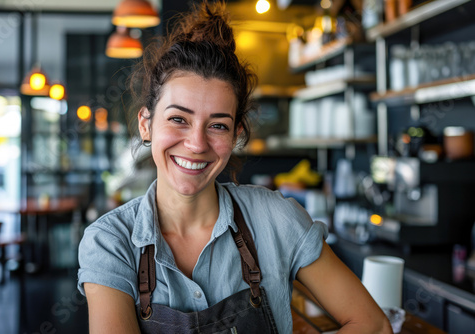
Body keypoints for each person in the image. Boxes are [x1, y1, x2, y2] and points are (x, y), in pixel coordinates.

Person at [77, 1, 392, 333]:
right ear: (146, 124)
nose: (197, 143)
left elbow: (373, 325)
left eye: (217, 125)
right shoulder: (111, 242)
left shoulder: (274, 219)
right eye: (178, 119)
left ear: (237, 134)